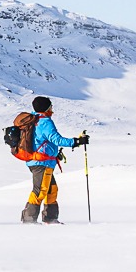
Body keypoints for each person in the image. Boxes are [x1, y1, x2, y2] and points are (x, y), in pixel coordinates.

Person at [21, 95, 88, 223]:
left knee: (51, 189)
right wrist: (77, 141)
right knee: (40, 190)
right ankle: (29, 220)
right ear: (45, 108)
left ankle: (50, 219)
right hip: (41, 162)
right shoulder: (45, 122)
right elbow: (56, 139)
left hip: (42, 161)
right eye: (50, 107)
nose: (52, 110)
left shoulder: (35, 120)